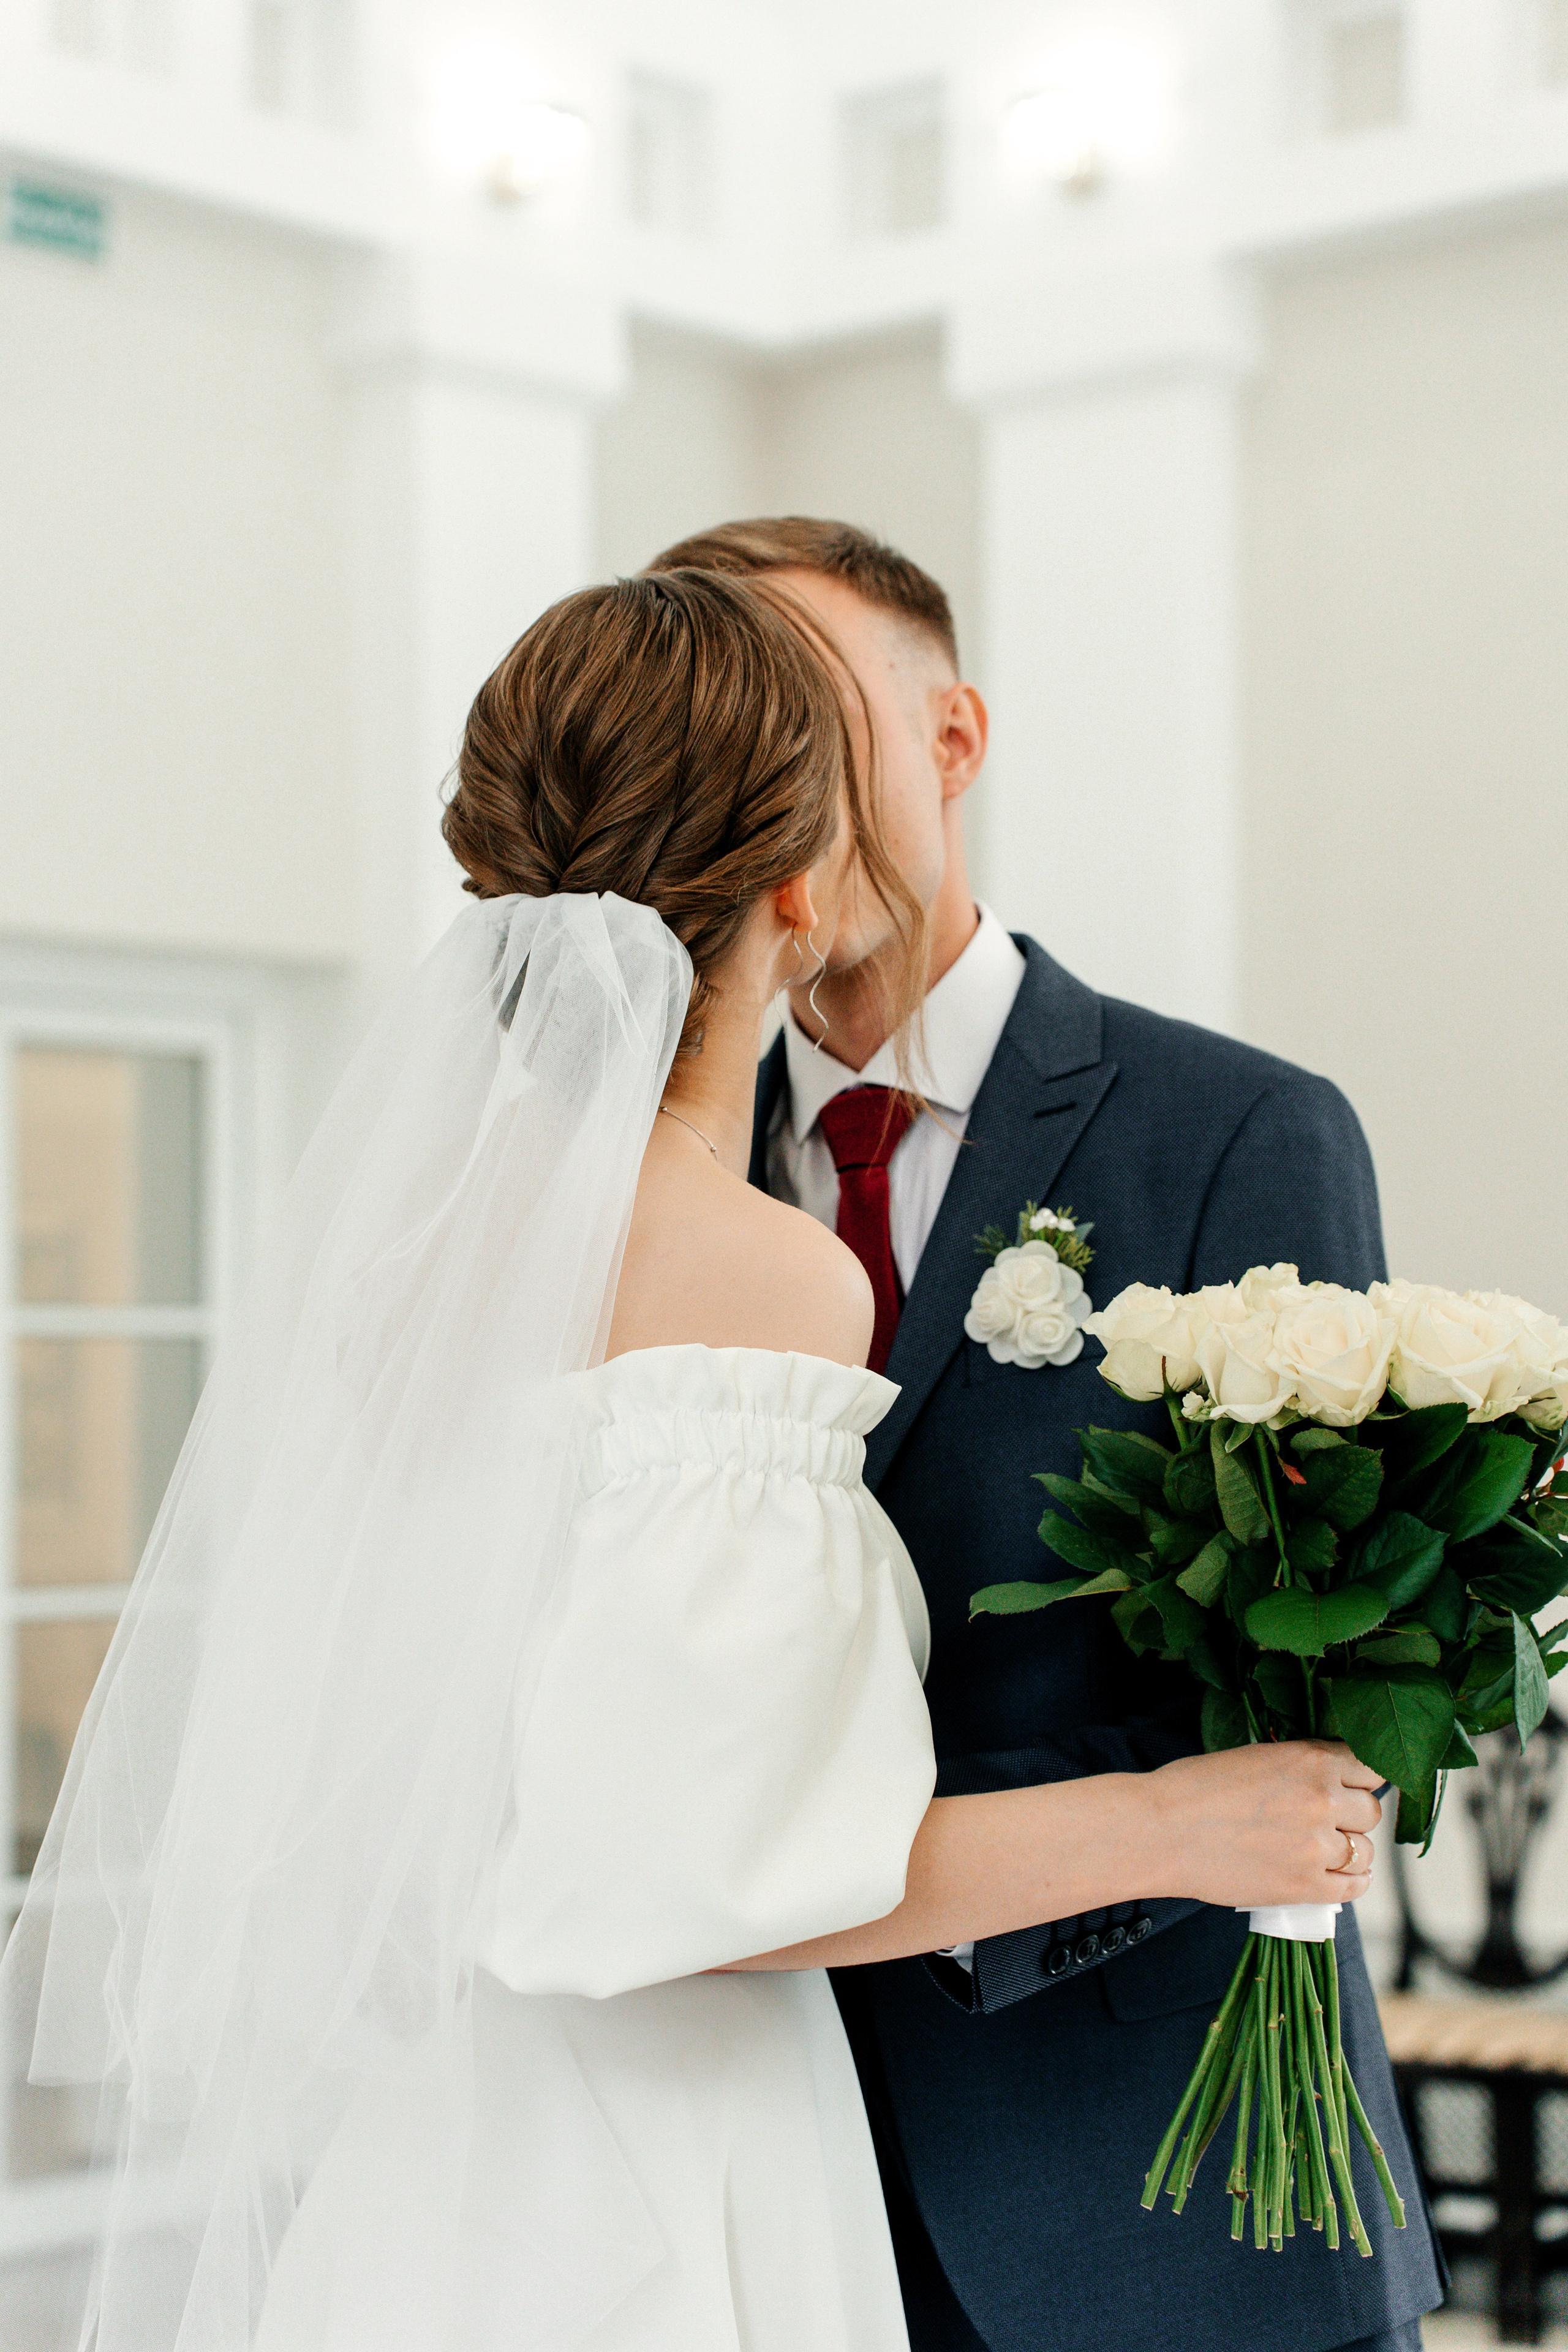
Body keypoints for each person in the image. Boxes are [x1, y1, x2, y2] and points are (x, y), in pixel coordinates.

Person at [4, 570, 1382, 2352]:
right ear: (798, 892)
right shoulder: (764, 1269)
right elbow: (710, 1877)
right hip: (666, 2145)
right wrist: (1174, 1821)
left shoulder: (402, 1268)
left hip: (459, 2126)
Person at [649, 519, 1446, 2352]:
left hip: (1169, 2203)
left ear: (954, 740)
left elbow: (1298, 1716)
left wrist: (846, 1870)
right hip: (770, 2197)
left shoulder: (1242, 1131)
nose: (780, 798)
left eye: (817, 724)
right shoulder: (660, 1192)